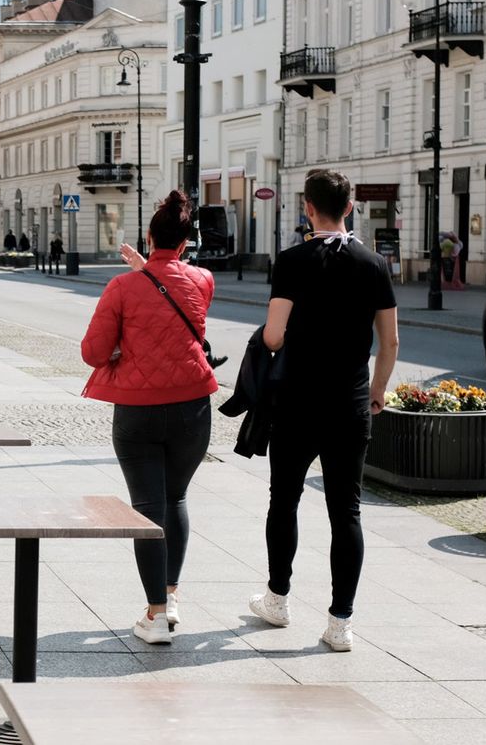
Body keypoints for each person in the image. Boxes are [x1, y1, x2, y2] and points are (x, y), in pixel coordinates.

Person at [250, 168, 399, 653]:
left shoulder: (292, 260)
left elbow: (274, 335)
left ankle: (278, 599)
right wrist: (377, 390)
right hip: (350, 404)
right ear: (350, 207)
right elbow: (390, 341)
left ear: (307, 208)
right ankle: (340, 623)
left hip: (296, 402)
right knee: (346, 511)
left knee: (284, 499)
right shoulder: (374, 264)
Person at [80, 190, 219, 646]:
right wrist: (154, 268)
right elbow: (174, 294)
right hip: (192, 407)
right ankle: (171, 598)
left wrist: (123, 345)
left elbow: (93, 353)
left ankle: (156, 615)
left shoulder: (121, 287)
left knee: (147, 509)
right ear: (184, 244)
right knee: (176, 500)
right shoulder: (203, 280)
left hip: (138, 413)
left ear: (148, 236)